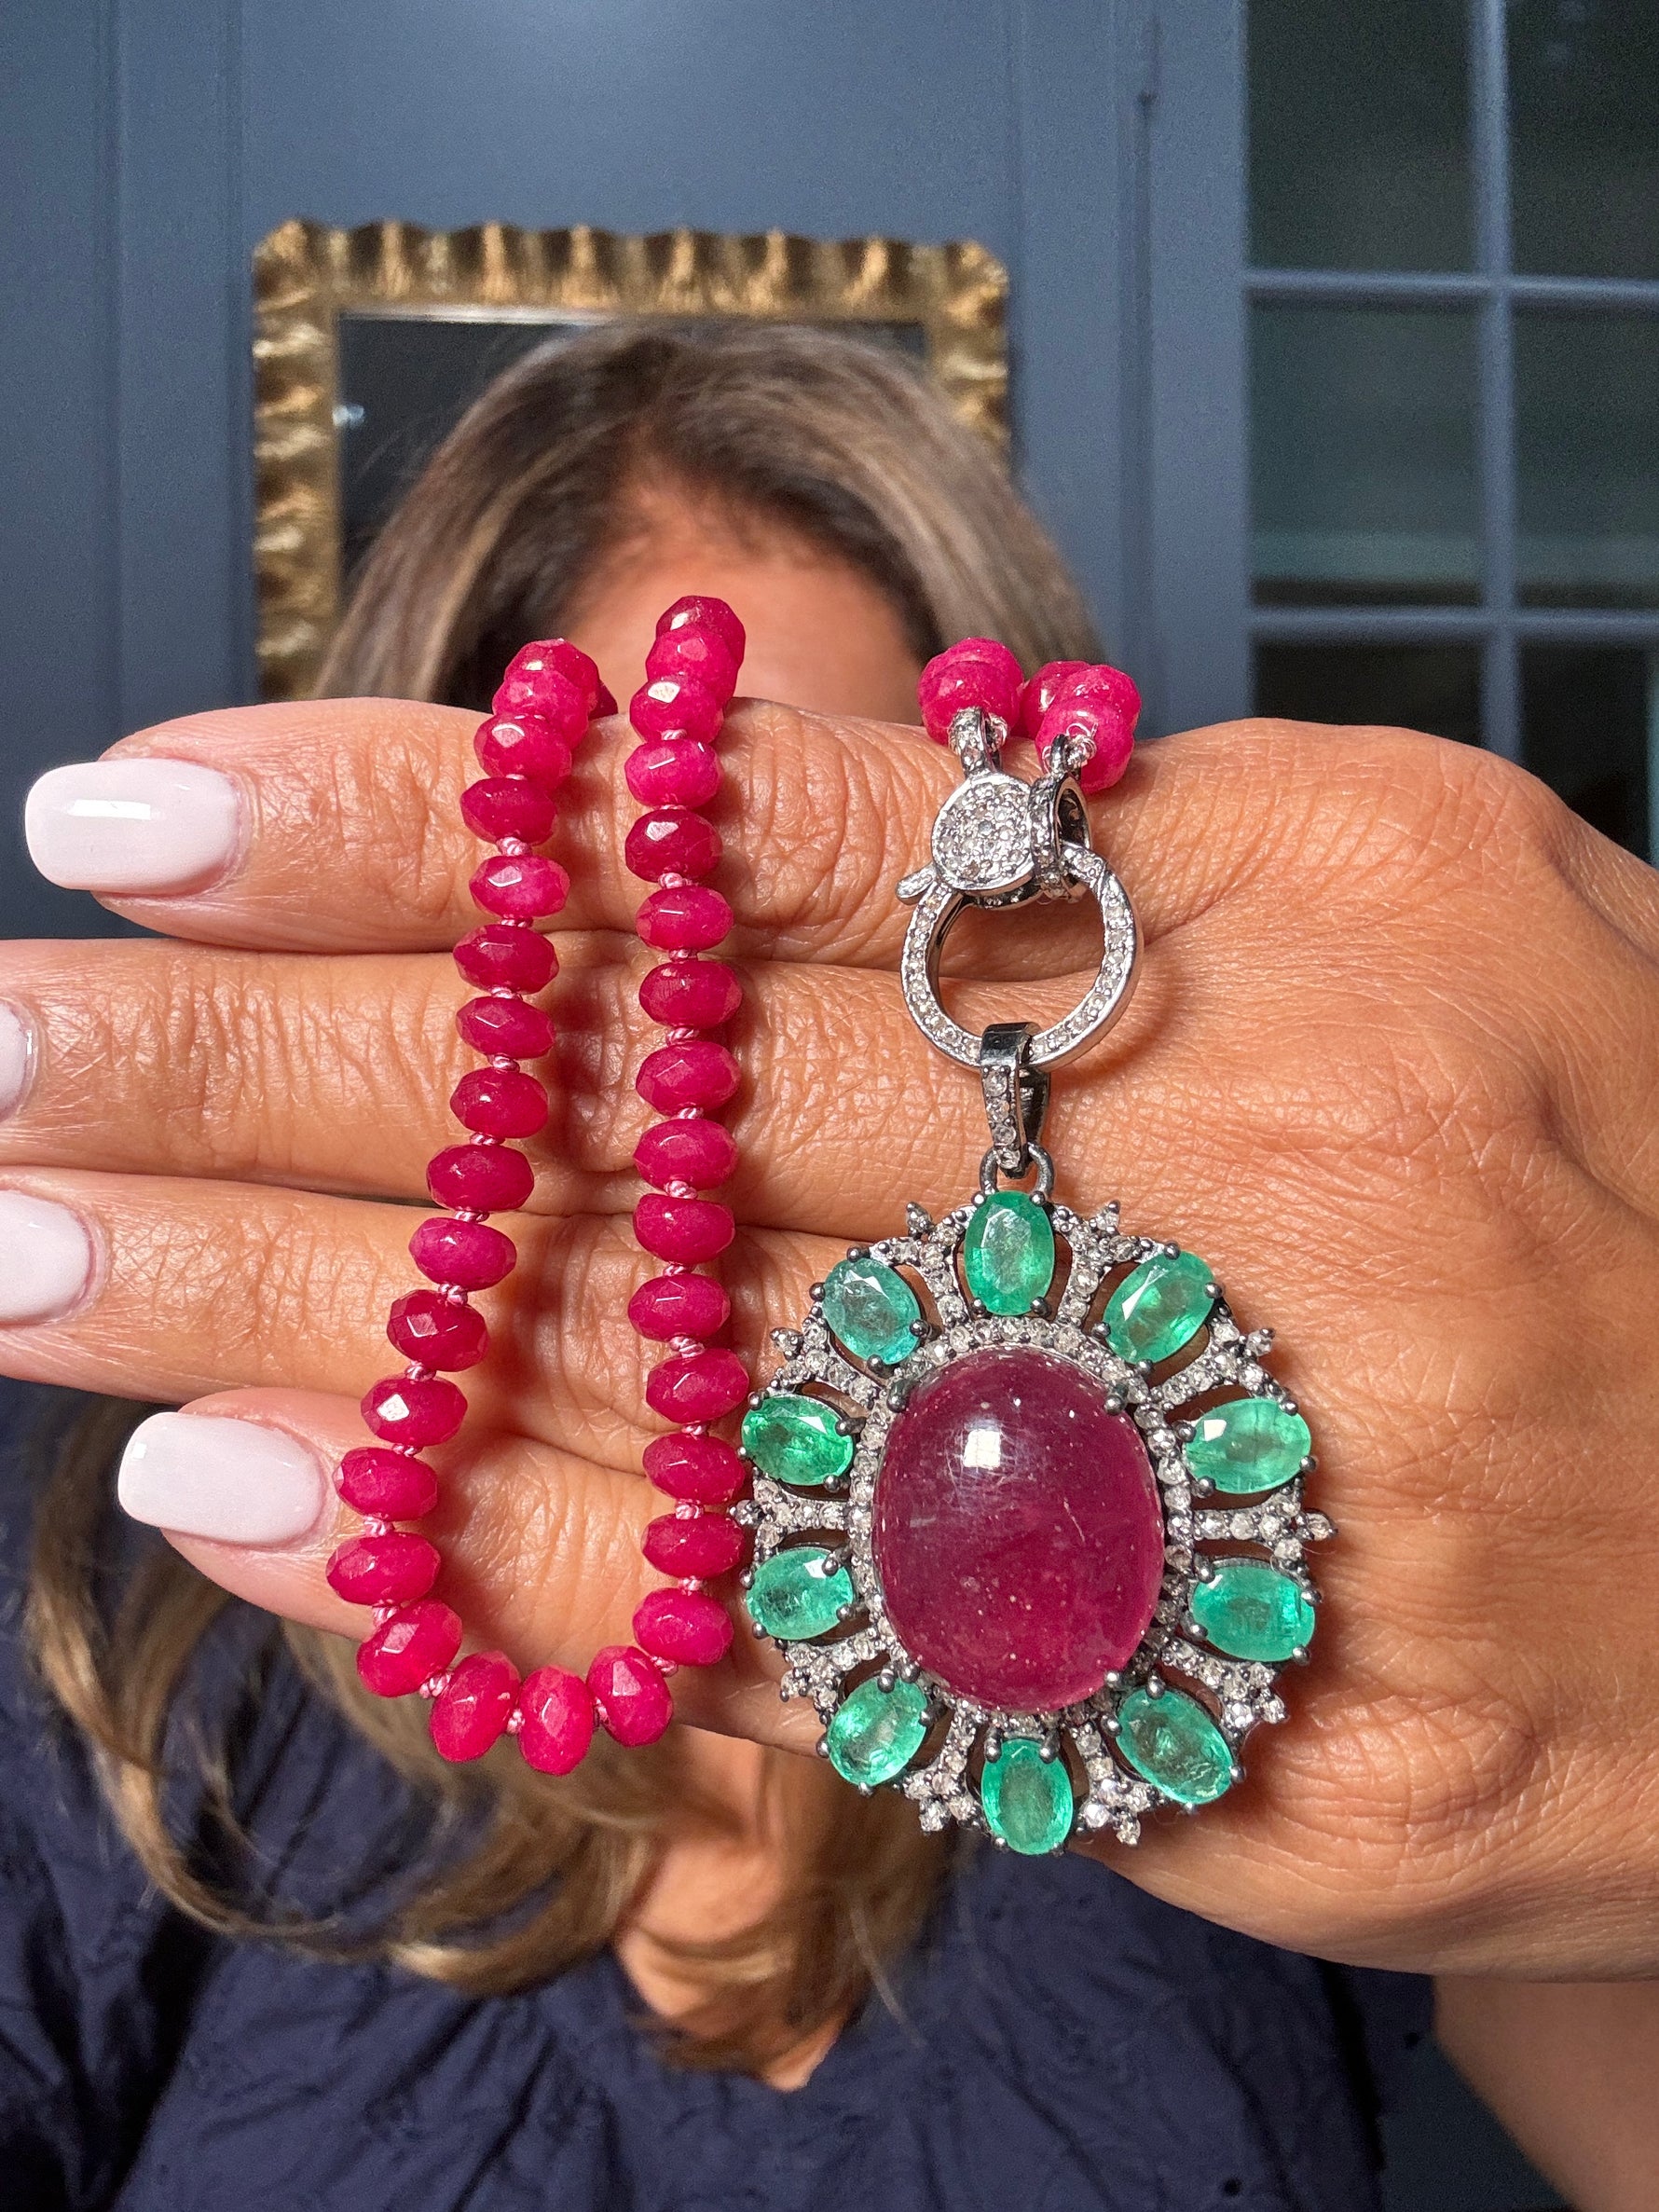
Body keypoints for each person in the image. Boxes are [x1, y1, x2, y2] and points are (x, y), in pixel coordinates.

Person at [4, 321, 1658, 2210]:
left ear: (1011, 905)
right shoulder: (122, 1627)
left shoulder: (1379, 1634)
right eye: (623, 893)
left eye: (798, 921)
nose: (695, 1050)